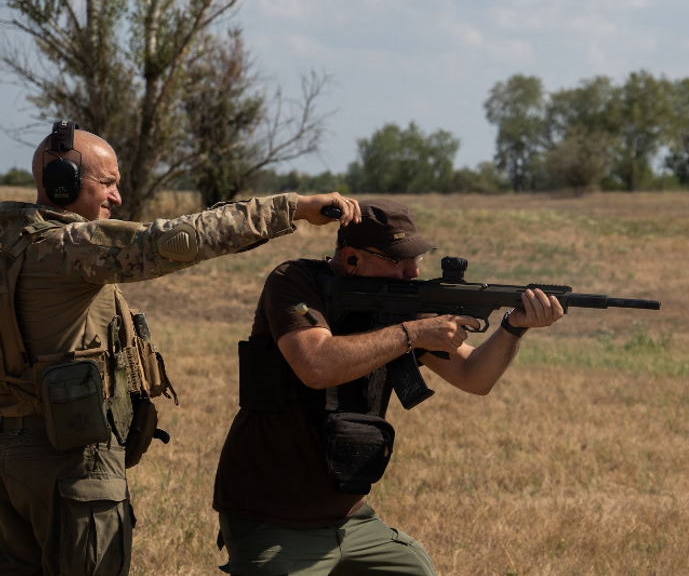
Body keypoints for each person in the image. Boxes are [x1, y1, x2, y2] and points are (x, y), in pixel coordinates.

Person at [0, 120, 360, 576]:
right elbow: (178, 240)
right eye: (107, 184)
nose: (117, 198)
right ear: (63, 184)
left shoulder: (9, 240)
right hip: (71, 459)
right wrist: (294, 208)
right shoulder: (68, 248)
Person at [212, 198, 565, 575]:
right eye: (398, 261)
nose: (412, 272)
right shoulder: (294, 286)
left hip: (351, 519)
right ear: (350, 259)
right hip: (273, 519)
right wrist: (414, 333)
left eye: (416, 259)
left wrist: (514, 326)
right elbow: (315, 364)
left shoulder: (403, 306)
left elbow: (475, 377)